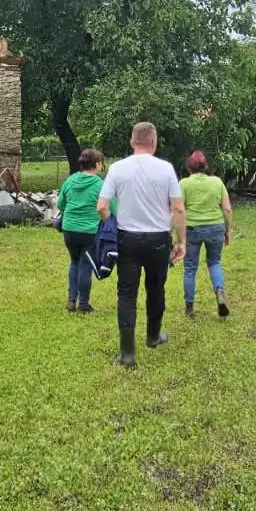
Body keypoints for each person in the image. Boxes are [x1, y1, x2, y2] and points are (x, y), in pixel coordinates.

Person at [98, 122, 185, 368]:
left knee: (126, 293)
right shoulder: (166, 169)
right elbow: (178, 208)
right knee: (156, 288)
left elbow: (102, 207)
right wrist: (181, 242)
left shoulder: (117, 169)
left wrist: (112, 225)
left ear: (132, 141)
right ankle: (153, 336)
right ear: (154, 142)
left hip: (128, 239)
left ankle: (127, 354)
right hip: (158, 239)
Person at [179, 150, 233, 318]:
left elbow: (179, 210)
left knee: (190, 268)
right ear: (205, 166)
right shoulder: (217, 182)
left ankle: (189, 308)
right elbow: (227, 209)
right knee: (214, 262)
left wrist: (178, 237)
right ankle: (219, 292)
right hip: (215, 227)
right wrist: (228, 230)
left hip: (192, 229)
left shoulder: (184, 184)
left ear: (189, 167)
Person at [55, 148, 107, 314]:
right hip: (89, 230)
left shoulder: (70, 180)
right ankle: (83, 305)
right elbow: (109, 207)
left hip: (69, 229)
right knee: (86, 265)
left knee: (74, 262)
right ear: (97, 164)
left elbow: (60, 204)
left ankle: (71, 300)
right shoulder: (99, 184)